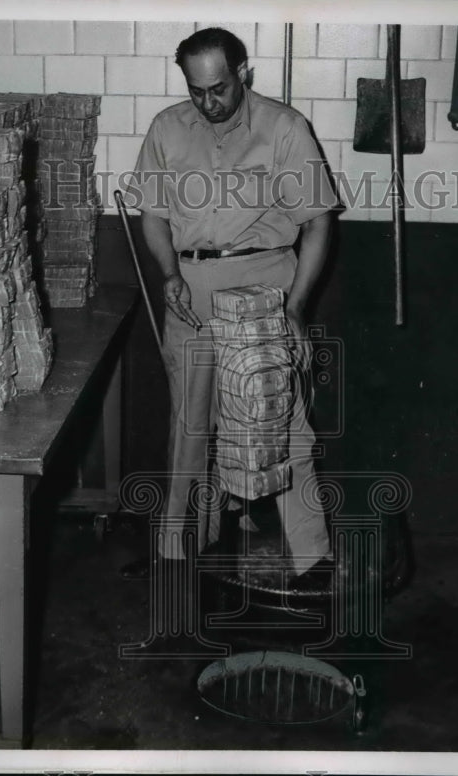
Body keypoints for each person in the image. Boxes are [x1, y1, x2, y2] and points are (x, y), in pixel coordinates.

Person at [119, 28, 337, 592]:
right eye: (197, 91)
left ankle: (312, 562)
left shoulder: (284, 128)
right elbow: (154, 215)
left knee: (281, 421)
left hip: (264, 285)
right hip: (189, 287)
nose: (209, 102)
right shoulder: (168, 128)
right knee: (190, 425)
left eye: (219, 88)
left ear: (244, 73)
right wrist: (169, 274)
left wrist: (294, 309)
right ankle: (181, 552)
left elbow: (317, 223)